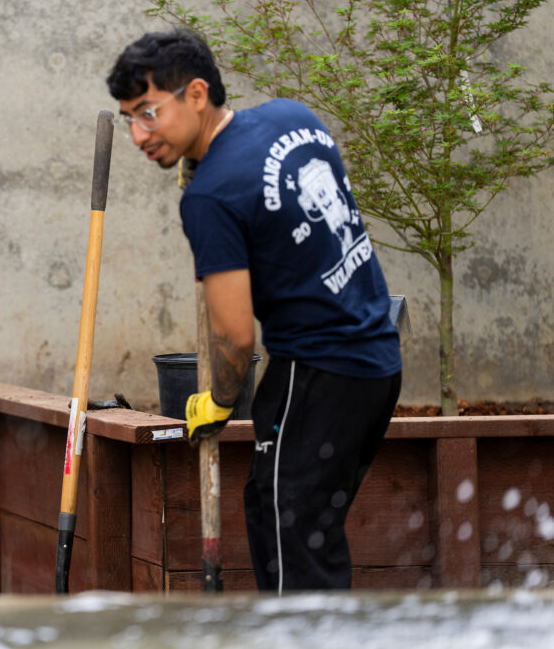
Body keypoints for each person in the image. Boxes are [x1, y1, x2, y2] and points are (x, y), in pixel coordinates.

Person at [106, 30, 402, 591]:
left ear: (196, 94)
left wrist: (218, 401)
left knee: (292, 555)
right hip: (377, 363)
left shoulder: (211, 196)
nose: (138, 134)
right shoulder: (294, 116)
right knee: (301, 528)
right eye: (128, 119)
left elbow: (237, 335)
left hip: (317, 373)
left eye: (148, 113)